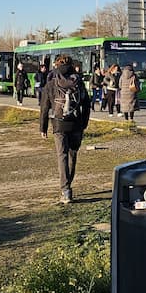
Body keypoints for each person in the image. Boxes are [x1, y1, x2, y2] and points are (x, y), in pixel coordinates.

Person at [39, 55, 91, 203]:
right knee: (72, 155)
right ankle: (68, 185)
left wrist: (43, 127)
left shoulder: (51, 83)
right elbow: (86, 104)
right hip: (76, 124)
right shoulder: (78, 82)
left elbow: (44, 107)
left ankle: (65, 190)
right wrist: (84, 123)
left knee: (61, 155)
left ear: (56, 65)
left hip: (59, 124)